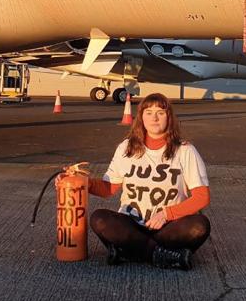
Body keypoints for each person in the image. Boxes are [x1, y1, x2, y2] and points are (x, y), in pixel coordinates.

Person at [88, 92, 211, 270]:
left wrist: (166, 214)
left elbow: (201, 197)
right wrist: (82, 182)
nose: (154, 117)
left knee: (199, 225)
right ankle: (161, 254)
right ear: (141, 118)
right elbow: (108, 188)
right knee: (99, 219)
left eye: (160, 112)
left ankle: (129, 252)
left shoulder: (185, 150)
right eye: (148, 112)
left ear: (169, 117)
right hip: (132, 225)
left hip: (168, 227)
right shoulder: (126, 147)